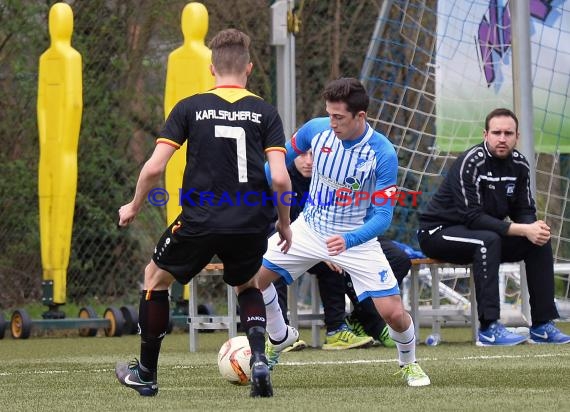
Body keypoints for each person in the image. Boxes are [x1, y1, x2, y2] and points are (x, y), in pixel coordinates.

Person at [114, 28, 292, 398]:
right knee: (248, 284)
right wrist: (284, 224)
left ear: (212, 69)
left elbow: (153, 169)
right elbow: (279, 178)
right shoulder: (265, 112)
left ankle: (146, 373)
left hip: (201, 218)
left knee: (154, 278)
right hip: (249, 219)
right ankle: (259, 359)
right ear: (250, 68)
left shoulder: (189, 107)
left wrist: (134, 205)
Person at [259, 77, 430, 386]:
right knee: (253, 279)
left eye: (339, 117)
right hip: (308, 230)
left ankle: (409, 363)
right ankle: (279, 335)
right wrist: (272, 180)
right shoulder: (315, 129)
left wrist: (349, 240)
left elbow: (383, 217)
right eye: (330, 114)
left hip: (356, 239)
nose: (332, 122)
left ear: (360, 116)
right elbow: (276, 161)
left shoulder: (383, 154)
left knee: (392, 312)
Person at [417, 107, 570, 346]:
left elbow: (524, 210)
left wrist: (533, 229)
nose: (502, 138)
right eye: (496, 132)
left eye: (508, 133)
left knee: (539, 240)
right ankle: (489, 328)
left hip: (484, 234)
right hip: (438, 233)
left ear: (517, 136)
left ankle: (542, 325)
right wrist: (522, 230)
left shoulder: (520, 164)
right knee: (488, 240)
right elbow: (472, 217)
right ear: (485, 134)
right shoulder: (470, 162)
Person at [273, 152, 412, 350]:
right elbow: (274, 225)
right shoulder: (281, 179)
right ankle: (285, 333)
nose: (309, 161)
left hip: (346, 237)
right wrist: (323, 250)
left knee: (399, 259)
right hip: (299, 244)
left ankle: (361, 318)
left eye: (314, 155)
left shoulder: (335, 176)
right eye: (303, 155)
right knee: (281, 265)